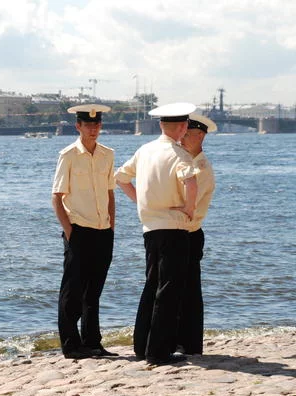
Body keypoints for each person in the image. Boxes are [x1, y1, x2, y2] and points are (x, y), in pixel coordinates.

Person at [114, 102, 198, 365]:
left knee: (151, 285)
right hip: (173, 226)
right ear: (183, 127)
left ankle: (142, 345)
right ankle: (158, 351)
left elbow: (120, 177)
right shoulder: (179, 154)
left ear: (161, 125)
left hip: (150, 227)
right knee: (169, 289)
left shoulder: (145, 150)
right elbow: (191, 182)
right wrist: (189, 208)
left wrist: (140, 200)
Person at [51, 104, 118, 359]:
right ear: (78, 126)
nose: (93, 129)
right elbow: (57, 197)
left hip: (103, 230)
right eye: (88, 125)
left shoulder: (107, 154)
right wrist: (70, 232)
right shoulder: (68, 155)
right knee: (73, 291)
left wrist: (111, 226)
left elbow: (110, 193)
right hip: (79, 230)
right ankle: (71, 345)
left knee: (94, 291)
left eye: (97, 124)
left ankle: (92, 342)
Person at [176, 113, 217, 355]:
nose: (181, 138)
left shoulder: (201, 169)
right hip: (185, 232)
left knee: (189, 291)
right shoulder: (187, 163)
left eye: (187, 134)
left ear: (200, 136)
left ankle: (189, 343)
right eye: (181, 134)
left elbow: (187, 204)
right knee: (183, 289)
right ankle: (184, 341)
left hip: (189, 233)